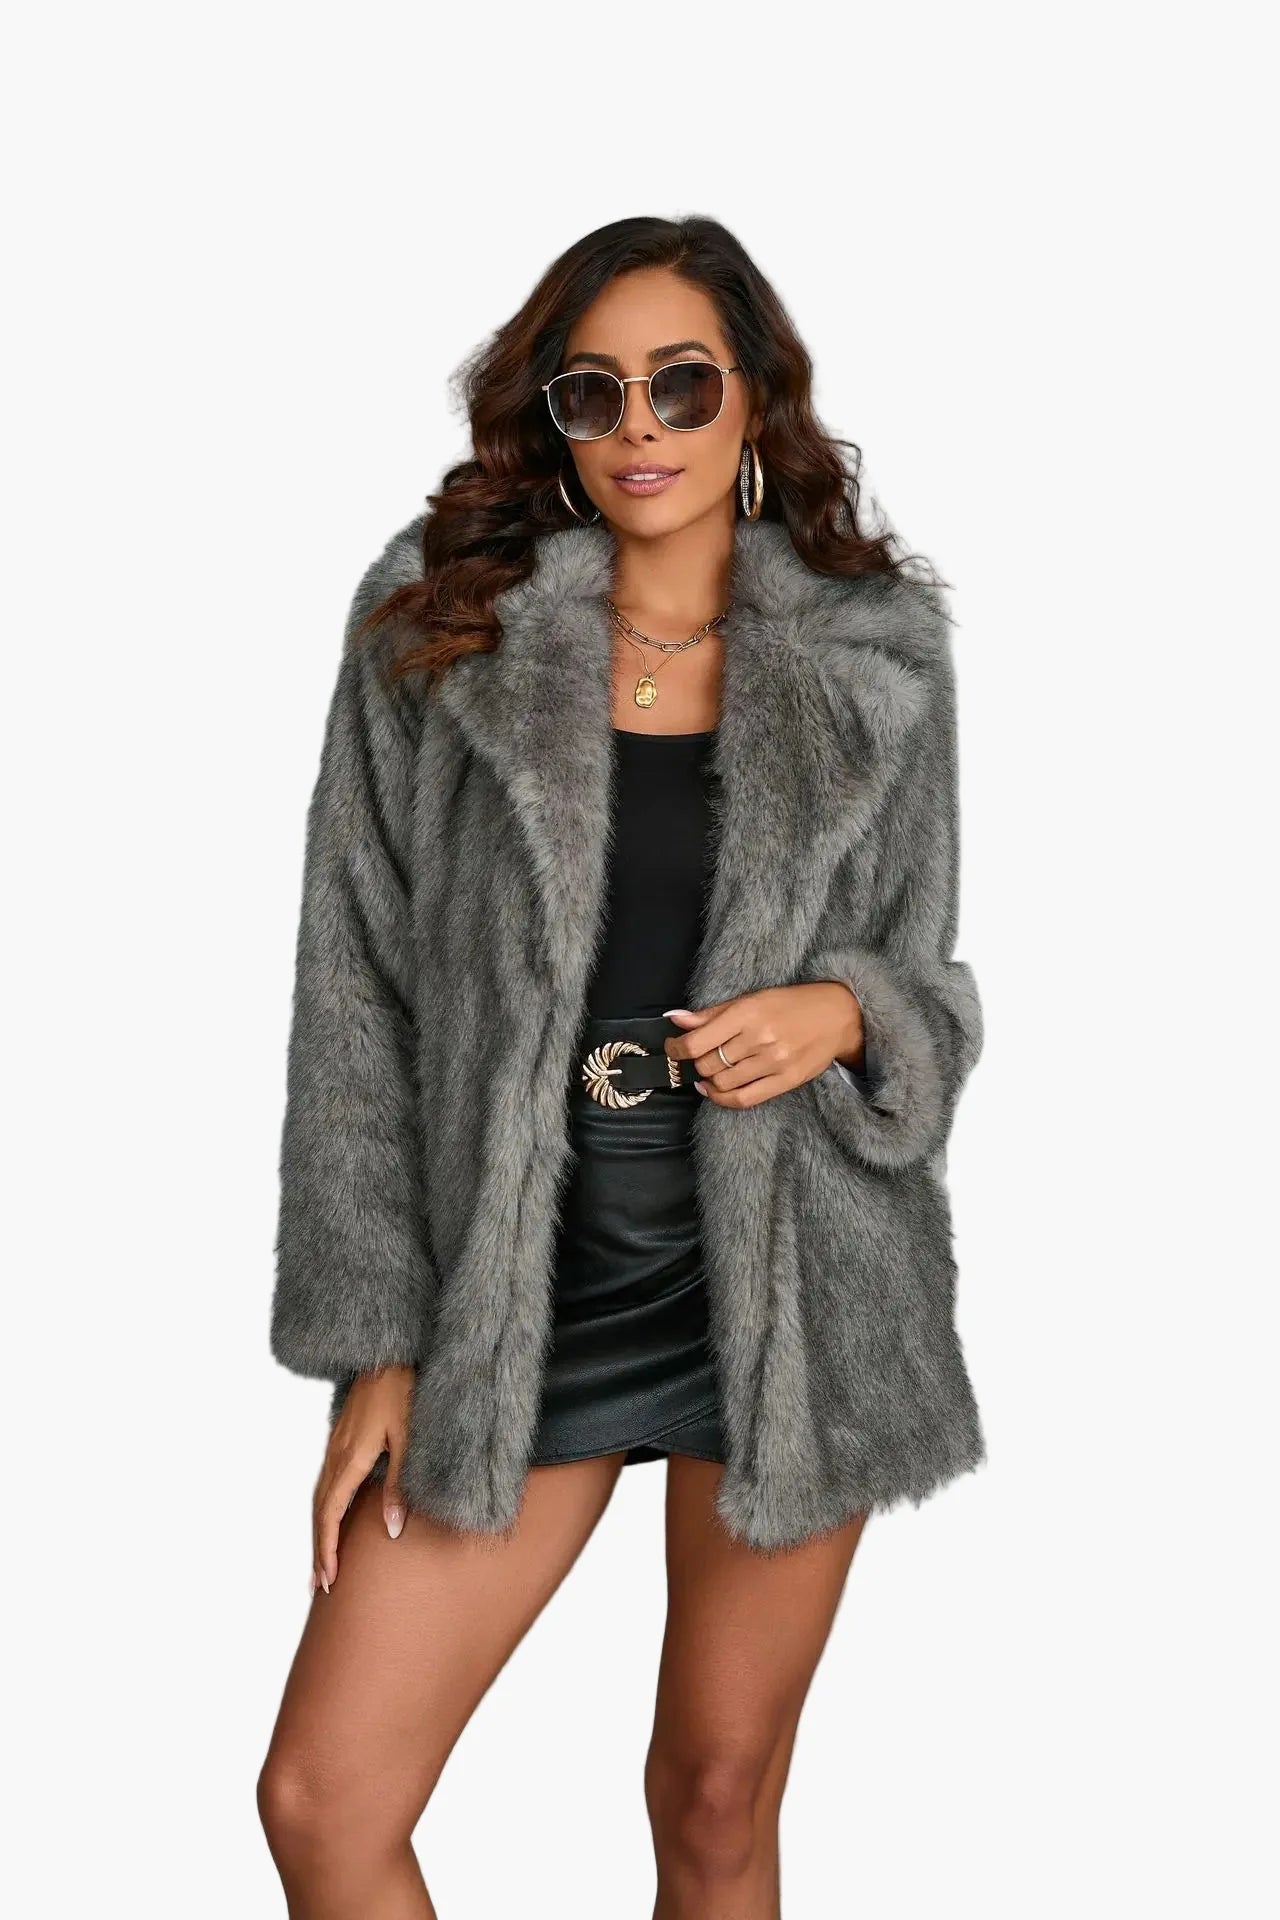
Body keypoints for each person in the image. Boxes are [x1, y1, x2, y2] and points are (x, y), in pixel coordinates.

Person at [258, 213, 985, 1919]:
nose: (639, 425)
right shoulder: (443, 631)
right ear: (555, 418)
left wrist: (849, 1011)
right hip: (522, 1284)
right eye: (595, 392)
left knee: (715, 1799)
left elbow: (930, 977)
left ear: (756, 400)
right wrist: (378, 1339)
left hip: (790, 1279)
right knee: (323, 1800)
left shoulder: (876, 659)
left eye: (682, 384)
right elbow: (354, 991)